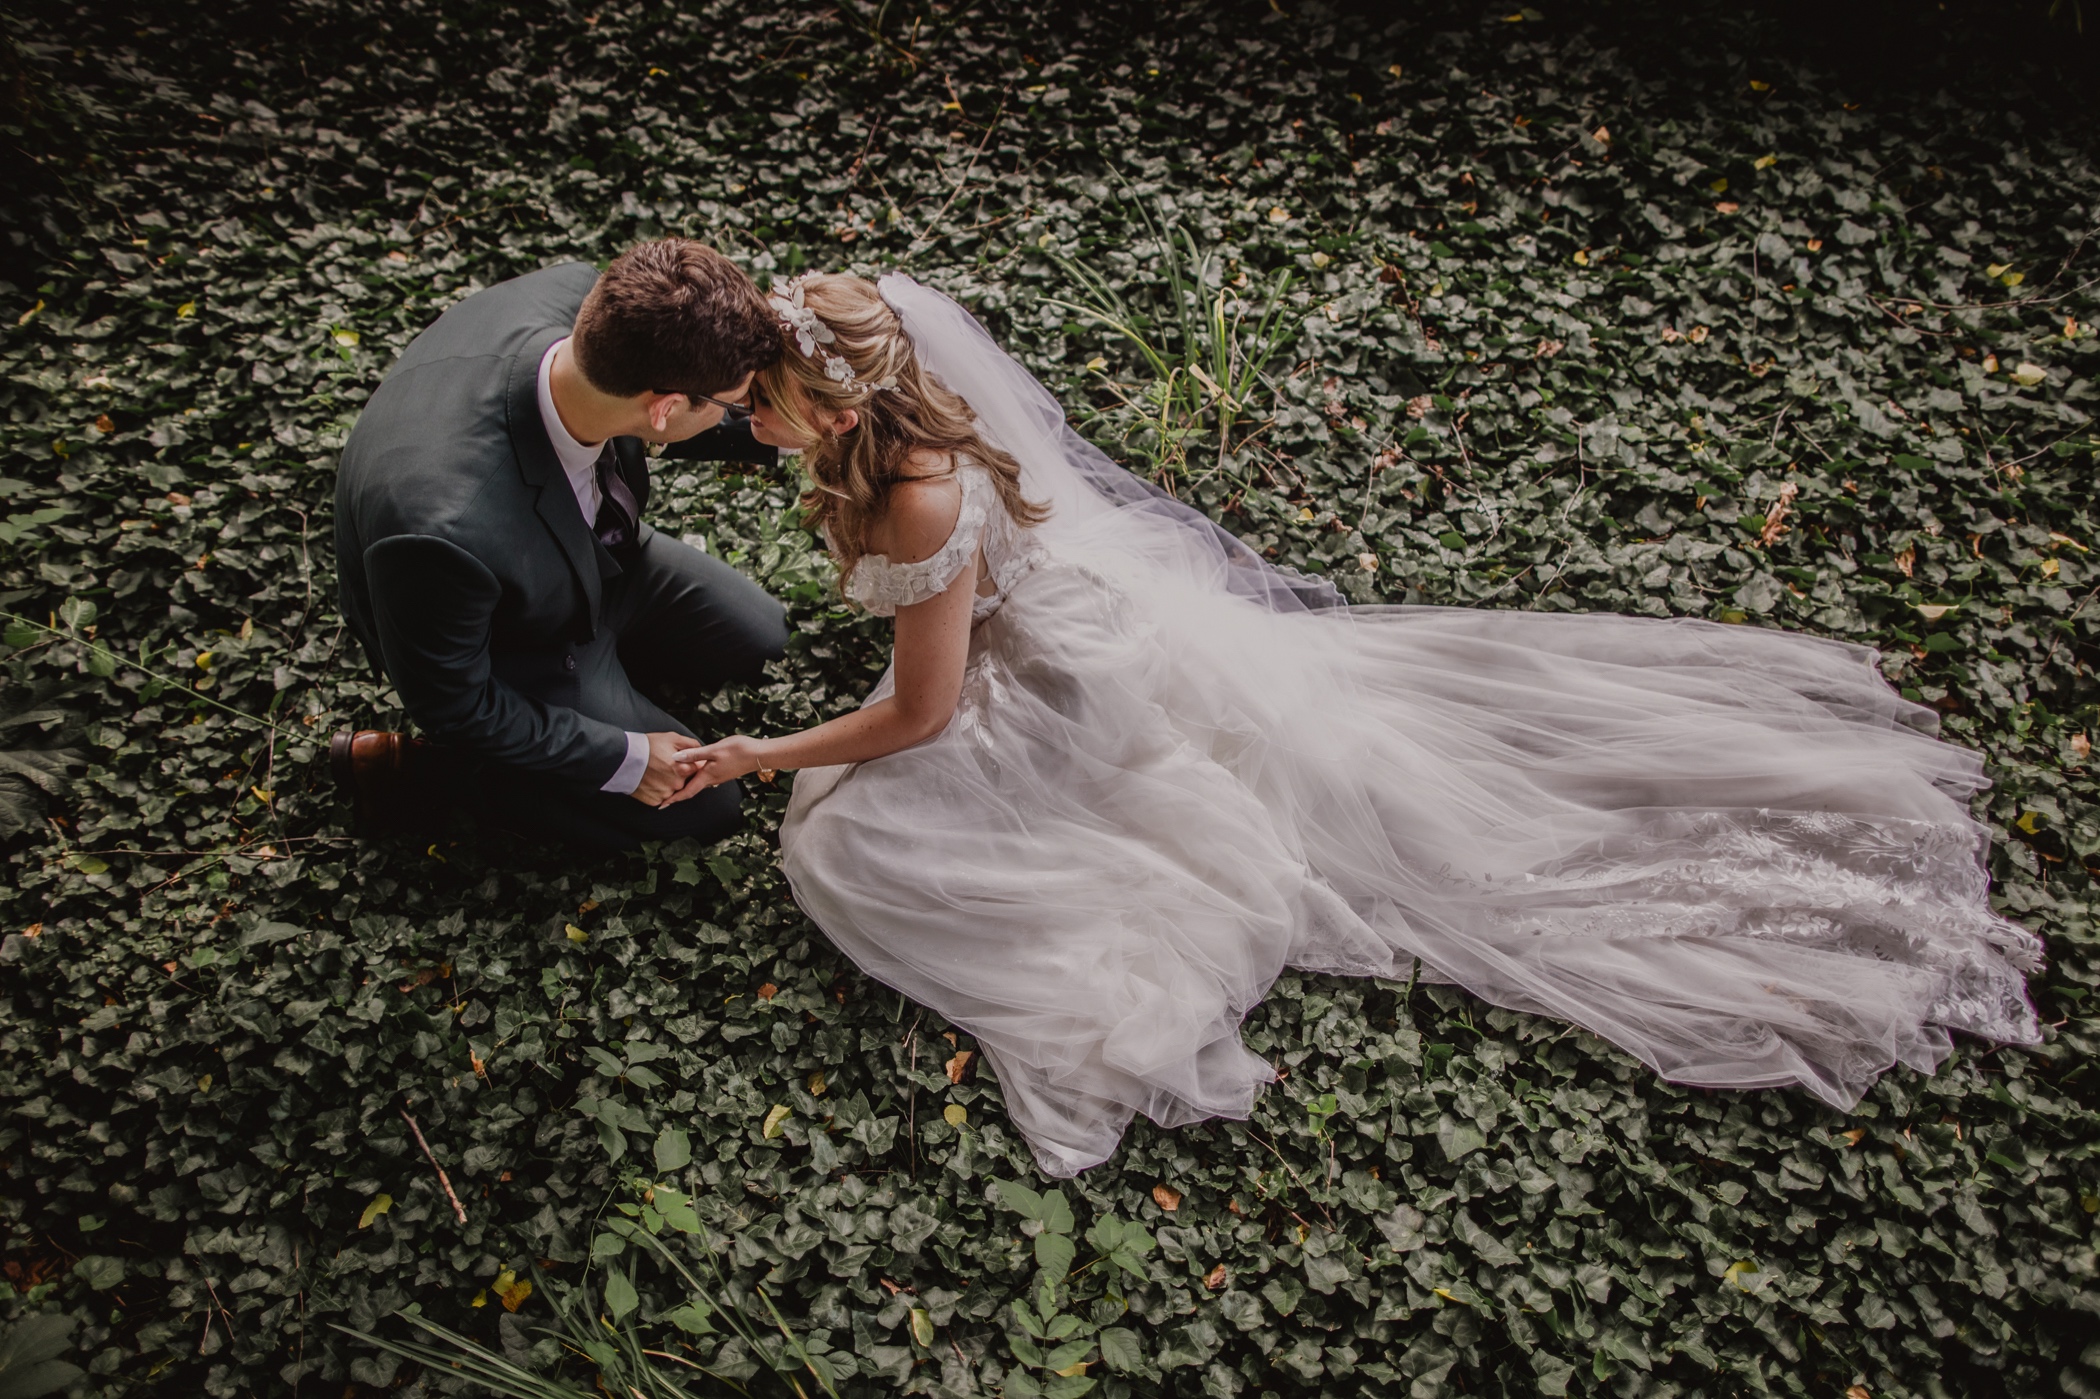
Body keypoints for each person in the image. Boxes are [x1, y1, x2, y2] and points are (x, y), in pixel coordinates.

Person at [677, 271, 2043, 1179]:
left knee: (858, 843)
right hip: (1077, 616)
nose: (750, 423)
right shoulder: (906, 430)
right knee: (862, 814)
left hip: (1067, 675)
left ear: (837, 400)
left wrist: (758, 753)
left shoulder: (913, 492)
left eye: (760, 404)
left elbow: (916, 710)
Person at [332, 239, 787, 852]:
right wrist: (623, 757)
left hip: (606, 556)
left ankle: (616, 680)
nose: (743, 411)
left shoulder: (592, 303)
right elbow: (456, 703)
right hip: (519, 642)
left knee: (765, 641)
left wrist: (798, 429)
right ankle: (431, 774)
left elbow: (682, 405)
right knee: (706, 808)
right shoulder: (441, 531)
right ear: (666, 409)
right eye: (737, 403)